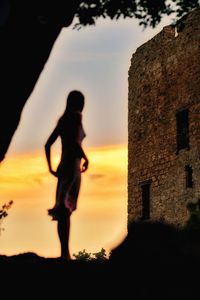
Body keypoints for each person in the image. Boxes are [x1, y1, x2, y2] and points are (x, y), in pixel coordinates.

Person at [45, 90, 89, 259]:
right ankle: (65, 253)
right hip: (72, 165)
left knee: (63, 209)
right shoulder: (75, 117)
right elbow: (73, 143)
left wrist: (51, 168)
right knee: (65, 208)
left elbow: (47, 144)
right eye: (82, 102)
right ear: (77, 103)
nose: (83, 106)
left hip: (65, 165)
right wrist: (86, 158)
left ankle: (65, 252)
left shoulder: (63, 120)